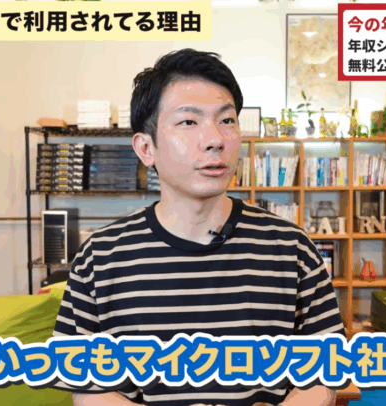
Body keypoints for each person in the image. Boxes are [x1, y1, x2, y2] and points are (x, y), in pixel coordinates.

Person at [52, 48, 345, 406]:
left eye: (227, 120)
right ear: (146, 148)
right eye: (189, 122)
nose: (215, 139)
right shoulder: (100, 257)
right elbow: (87, 388)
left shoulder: (292, 249)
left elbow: (323, 377)